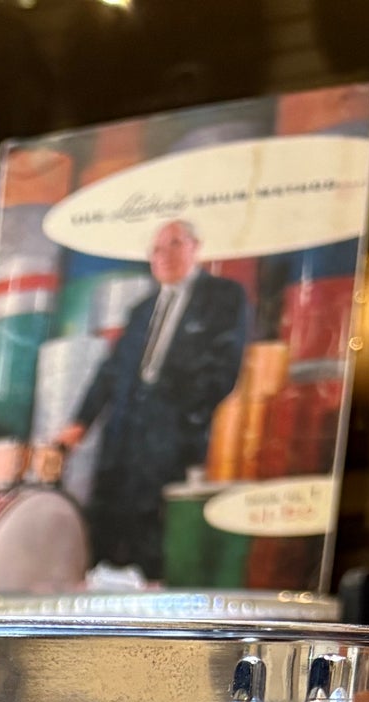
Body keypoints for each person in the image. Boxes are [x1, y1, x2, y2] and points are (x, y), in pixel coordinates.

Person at [56, 218, 248, 580]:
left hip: (173, 436)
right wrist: (80, 422)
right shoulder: (141, 310)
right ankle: (99, 583)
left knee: (156, 531)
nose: (165, 256)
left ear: (195, 247)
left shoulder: (223, 297)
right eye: (157, 249)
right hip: (123, 434)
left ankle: (154, 588)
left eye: (175, 244)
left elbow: (224, 370)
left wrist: (185, 419)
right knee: (108, 519)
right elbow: (110, 371)